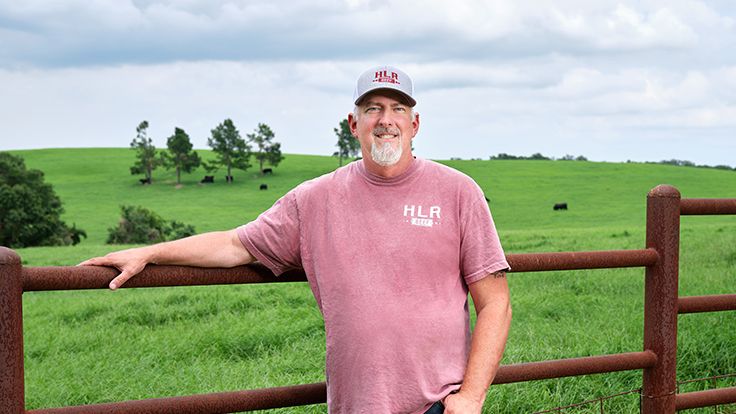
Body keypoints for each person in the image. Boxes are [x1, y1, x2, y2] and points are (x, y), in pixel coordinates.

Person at [80, 65, 512, 414]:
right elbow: (235, 245)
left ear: (414, 124)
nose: (386, 120)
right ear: (353, 124)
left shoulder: (458, 192)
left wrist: (471, 397)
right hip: (354, 406)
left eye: (398, 109)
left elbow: (495, 302)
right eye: (373, 109)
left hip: (439, 404)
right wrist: (151, 252)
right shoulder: (314, 200)